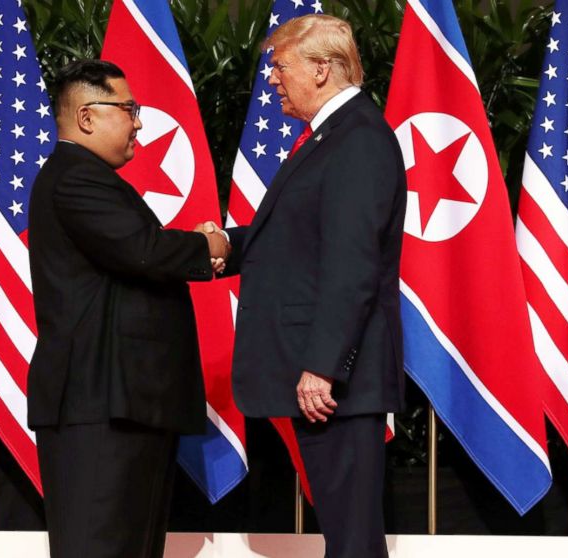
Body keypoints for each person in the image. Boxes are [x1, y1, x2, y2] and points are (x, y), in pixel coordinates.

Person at [205, 14, 407, 558]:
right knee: (344, 535)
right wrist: (226, 243)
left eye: (281, 65)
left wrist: (322, 365)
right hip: (322, 376)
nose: (272, 78)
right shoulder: (331, 138)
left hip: (336, 382)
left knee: (352, 541)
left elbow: (353, 263)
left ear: (321, 69)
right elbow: (299, 240)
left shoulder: (358, 139)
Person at [26, 59, 229, 558]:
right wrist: (211, 246)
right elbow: (143, 249)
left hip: (122, 404)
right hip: (99, 407)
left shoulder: (88, 178)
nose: (138, 121)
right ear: (88, 117)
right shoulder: (75, 177)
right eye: (128, 109)